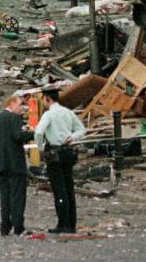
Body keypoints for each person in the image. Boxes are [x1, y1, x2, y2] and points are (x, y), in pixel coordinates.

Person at [34, 87, 87, 233]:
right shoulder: (68, 112)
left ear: (47, 99)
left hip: (54, 153)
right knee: (69, 187)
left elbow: (38, 132)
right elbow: (82, 129)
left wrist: (40, 148)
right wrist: (72, 137)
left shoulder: (49, 114)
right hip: (68, 152)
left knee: (59, 190)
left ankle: (63, 223)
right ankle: (71, 223)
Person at [0, 95, 34, 236]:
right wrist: (32, 133)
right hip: (15, 163)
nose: (22, 108)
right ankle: (18, 226)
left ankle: (5, 226)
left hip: (2, 164)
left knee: (5, 196)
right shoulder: (14, 118)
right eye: (20, 104)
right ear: (11, 103)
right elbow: (17, 136)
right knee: (17, 196)